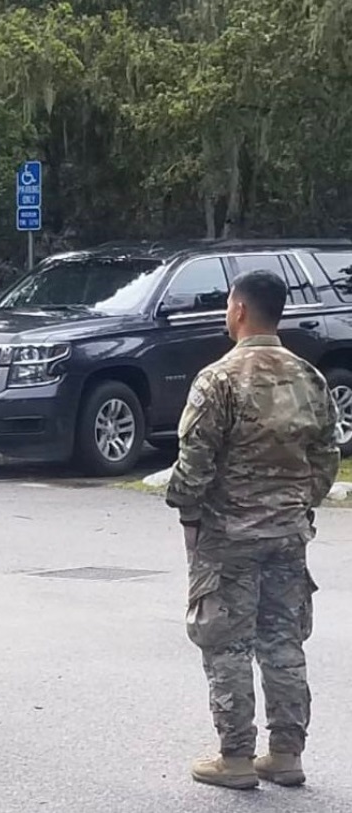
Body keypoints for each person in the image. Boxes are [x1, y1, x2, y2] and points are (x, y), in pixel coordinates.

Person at [165, 269, 339, 789]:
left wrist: (189, 516)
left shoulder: (218, 378)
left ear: (239, 309)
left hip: (230, 536)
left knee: (227, 644)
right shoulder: (309, 377)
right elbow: (326, 456)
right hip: (288, 533)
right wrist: (297, 505)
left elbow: (193, 463)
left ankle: (236, 757)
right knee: (284, 641)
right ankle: (286, 753)